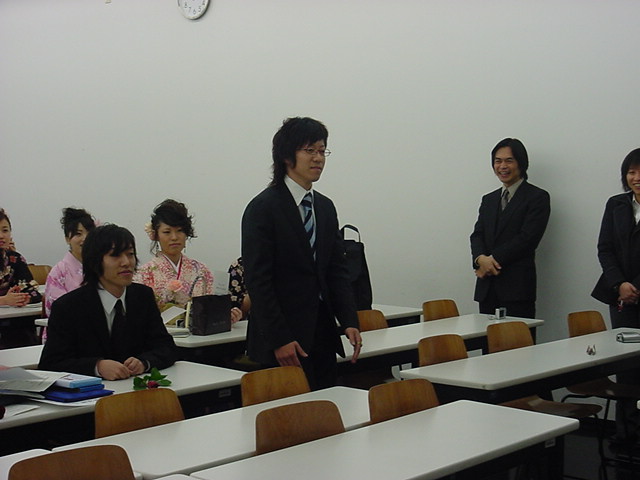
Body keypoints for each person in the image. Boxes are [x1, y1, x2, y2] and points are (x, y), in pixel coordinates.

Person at [241, 116, 362, 390]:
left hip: (322, 332)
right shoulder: (263, 208)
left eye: (322, 151)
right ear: (286, 156)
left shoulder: (325, 207)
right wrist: (279, 339)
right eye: (309, 150)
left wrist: (349, 320)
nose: (318, 158)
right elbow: (259, 281)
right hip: (282, 338)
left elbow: (336, 270)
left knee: (326, 406)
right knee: (290, 413)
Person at [39, 224, 178, 380]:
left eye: (130, 254)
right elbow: (51, 363)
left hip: (135, 387)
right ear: (94, 261)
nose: (126, 262)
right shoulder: (69, 307)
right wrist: (97, 366)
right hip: (93, 392)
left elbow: (166, 348)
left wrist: (144, 362)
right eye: (115, 256)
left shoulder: (142, 296)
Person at [470, 138, 551, 319]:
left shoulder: (537, 197)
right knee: (486, 336)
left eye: (509, 160)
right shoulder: (489, 199)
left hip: (517, 289)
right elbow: (477, 235)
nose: (502, 166)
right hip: (487, 288)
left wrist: (490, 262)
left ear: (521, 163)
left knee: (519, 337)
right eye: (498, 161)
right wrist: (480, 259)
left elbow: (527, 239)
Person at [591, 147, 640, 444]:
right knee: (626, 366)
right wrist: (620, 284)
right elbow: (604, 248)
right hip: (620, 297)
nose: (636, 178)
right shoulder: (616, 204)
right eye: (631, 172)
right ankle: (626, 432)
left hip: (633, 292)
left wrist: (635, 286)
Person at [134, 199, 241, 324]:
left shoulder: (202, 270)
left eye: (180, 230)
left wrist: (225, 315)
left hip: (198, 334)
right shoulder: (144, 274)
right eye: (167, 232)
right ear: (156, 235)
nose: (174, 237)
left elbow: (211, 309)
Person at [44, 207, 96, 317]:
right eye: (78, 234)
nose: (85, 238)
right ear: (67, 239)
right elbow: (56, 310)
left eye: (89, 233)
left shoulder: (101, 267)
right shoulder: (59, 272)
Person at [0, 208, 42, 307]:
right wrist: (4, 300)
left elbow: (33, 291)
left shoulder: (15, 258)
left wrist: (23, 298)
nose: (1, 236)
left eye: (5, 230)